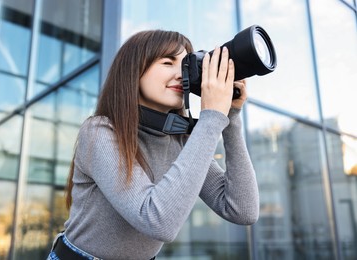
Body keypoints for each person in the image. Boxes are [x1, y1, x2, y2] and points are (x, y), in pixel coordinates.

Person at [47, 29, 259, 260]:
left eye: (186, 64)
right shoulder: (100, 131)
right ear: (133, 71)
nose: (182, 73)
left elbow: (242, 210)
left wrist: (231, 117)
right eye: (168, 62)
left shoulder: (180, 139)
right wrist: (211, 117)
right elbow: (157, 221)